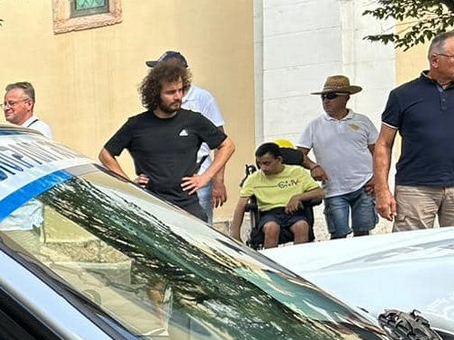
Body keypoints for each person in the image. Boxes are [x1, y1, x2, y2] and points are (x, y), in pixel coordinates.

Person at [100, 58, 236, 218]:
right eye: (170, 92)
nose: (178, 96)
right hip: (151, 207)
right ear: (155, 94)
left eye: (180, 90)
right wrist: (128, 184)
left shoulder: (194, 120)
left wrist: (206, 177)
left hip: (188, 206)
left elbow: (227, 146)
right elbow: (105, 154)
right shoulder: (136, 125)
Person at [372, 31, 454, 231]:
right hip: (415, 188)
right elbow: (383, 143)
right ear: (435, 60)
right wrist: (381, 190)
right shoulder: (402, 95)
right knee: (411, 246)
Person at [145, 51, 227, 222]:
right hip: (168, 183)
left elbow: (222, 143)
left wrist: (218, 180)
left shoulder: (201, 98)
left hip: (197, 179)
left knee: (201, 229)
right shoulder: (160, 101)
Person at [297, 75, 379, 240]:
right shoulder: (315, 125)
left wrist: (378, 178)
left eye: (331, 96)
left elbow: (377, 152)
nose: (326, 101)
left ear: (346, 97)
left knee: (363, 233)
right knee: (338, 235)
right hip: (333, 189)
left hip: (364, 185)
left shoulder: (363, 121)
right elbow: (299, 154)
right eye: (323, 97)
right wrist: (313, 166)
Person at [227, 143, 324, 249]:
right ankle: (270, 258)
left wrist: (298, 197)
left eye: (267, 163)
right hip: (269, 213)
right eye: (260, 164)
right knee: (272, 228)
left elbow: (320, 193)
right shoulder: (253, 179)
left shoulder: (297, 172)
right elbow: (241, 206)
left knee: (302, 226)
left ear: (279, 159)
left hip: (293, 212)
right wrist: (235, 235)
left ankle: (300, 257)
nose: (263, 168)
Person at [1, 82, 52, 236]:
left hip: (21, 220)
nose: (6, 108)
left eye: (11, 103)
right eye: (4, 104)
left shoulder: (36, 132)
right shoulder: (15, 131)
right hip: (8, 218)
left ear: (29, 104)